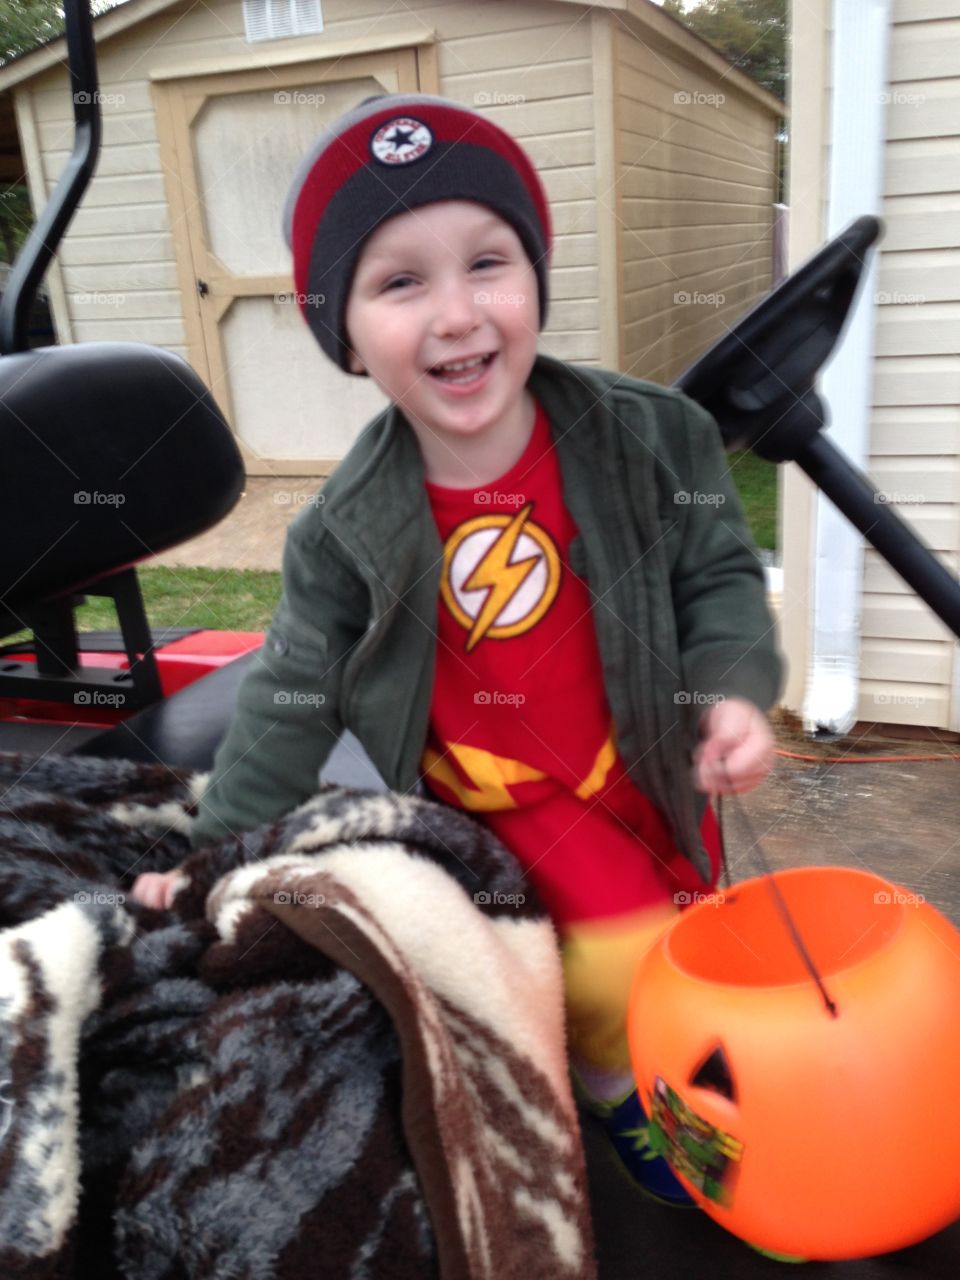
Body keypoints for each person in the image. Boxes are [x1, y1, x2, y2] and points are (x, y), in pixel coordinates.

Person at [132, 92, 783, 1211]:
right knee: (602, 972)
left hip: (652, 768)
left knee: (687, 944)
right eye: (400, 282)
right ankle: (621, 1094)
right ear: (343, 332)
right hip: (504, 809)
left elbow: (716, 574)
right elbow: (289, 698)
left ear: (535, 277)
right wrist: (209, 861)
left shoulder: (649, 436)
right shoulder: (344, 529)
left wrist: (729, 690)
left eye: (488, 263)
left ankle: (670, 1054)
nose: (455, 314)